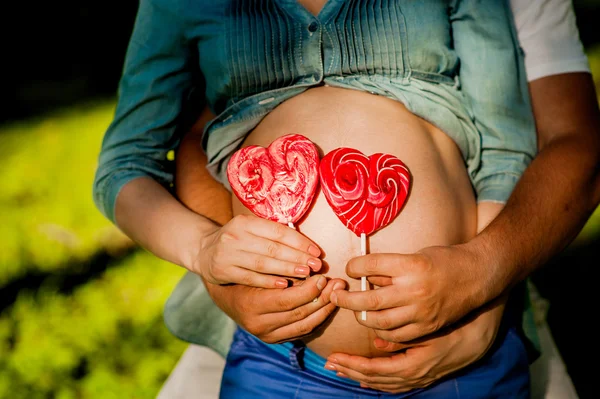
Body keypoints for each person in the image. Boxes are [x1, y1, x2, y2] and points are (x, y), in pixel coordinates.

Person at [92, 0, 599, 397]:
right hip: (282, 362)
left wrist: (481, 292)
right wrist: (204, 249)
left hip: (463, 349)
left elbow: (506, 148)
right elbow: (125, 164)